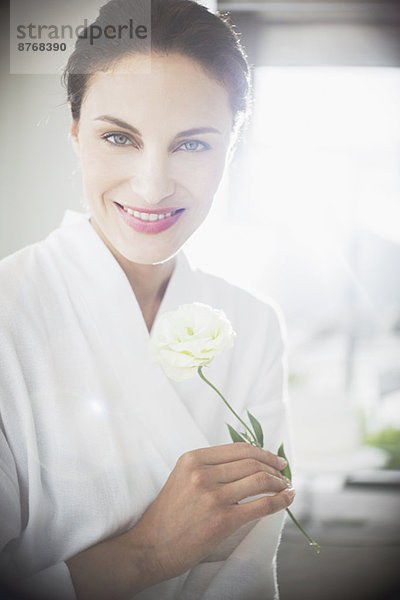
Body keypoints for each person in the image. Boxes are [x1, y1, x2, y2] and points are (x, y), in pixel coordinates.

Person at [0, 1, 294, 598]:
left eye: (192, 145)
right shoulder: (9, 311)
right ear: (77, 134)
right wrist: (149, 550)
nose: (152, 185)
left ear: (230, 150)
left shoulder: (255, 325)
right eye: (118, 137)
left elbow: (248, 567)